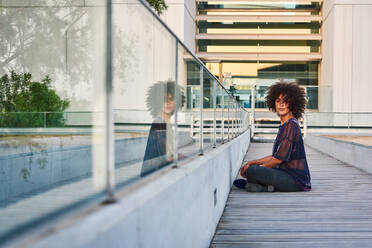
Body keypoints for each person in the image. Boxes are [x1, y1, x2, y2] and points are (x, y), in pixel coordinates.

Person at [234, 82, 311, 192]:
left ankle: (259, 185)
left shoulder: (291, 126)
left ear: (293, 103)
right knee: (253, 169)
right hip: (286, 174)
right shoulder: (286, 125)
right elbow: (276, 156)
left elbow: (278, 160)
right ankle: (260, 185)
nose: (281, 104)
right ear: (273, 103)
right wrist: (252, 162)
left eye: (286, 101)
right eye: (278, 101)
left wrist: (257, 169)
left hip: (296, 181)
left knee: (253, 171)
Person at [140, 81, 184, 177]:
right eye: (163, 99)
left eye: (171, 99)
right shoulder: (159, 123)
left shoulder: (165, 123)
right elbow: (167, 157)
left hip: (157, 175)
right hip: (153, 178)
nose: (167, 102)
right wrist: (189, 158)